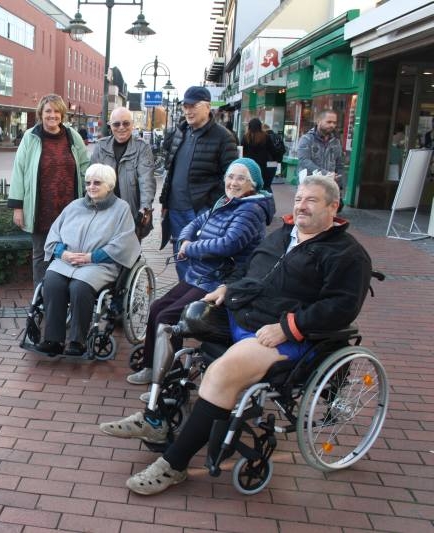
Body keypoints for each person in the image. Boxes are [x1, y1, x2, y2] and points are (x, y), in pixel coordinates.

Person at [101, 175, 372, 496]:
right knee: (174, 322)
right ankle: (156, 418)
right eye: (299, 199)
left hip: (290, 335)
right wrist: (228, 288)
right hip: (246, 312)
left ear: (333, 207)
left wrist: (288, 327)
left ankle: (173, 465)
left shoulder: (347, 255)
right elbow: (251, 271)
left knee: (221, 372)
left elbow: (340, 308)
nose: (301, 205)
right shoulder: (283, 235)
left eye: (311, 200)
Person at [120, 158, 274, 388]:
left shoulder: (251, 209)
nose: (233, 182)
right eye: (230, 177)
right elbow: (196, 222)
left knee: (168, 317)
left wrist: (190, 248)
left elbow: (228, 244)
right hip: (201, 274)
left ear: (253, 184)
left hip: (219, 280)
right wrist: (184, 238)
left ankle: (166, 378)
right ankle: (152, 366)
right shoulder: (225, 202)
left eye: (241, 178)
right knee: (157, 308)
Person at [36, 164, 141, 356]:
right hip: (67, 261)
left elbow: (124, 242)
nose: (91, 187)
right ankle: (53, 339)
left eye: (97, 183)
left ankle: (77, 341)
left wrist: (92, 257)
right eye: (88, 183)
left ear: (109, 185)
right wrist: (62, 253)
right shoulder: (74, 206)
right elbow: (54, 234)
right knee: (51, 282)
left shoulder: (121, 209)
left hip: (99, 264)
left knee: (79, 287)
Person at [7, 93, 91, 285]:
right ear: (41, 114)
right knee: (40, 255)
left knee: (69, 252)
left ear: (62, 114)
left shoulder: (73, 136)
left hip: (69, 208)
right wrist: (17, 207)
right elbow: (19, 171)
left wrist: (90, 195)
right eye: (48, 111)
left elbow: (85, 167)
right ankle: (40, 299)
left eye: (56, 111)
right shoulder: (31, 137)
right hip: (41, 206)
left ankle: (61, 297)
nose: (52, 115)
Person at [160, 86, 238, 280]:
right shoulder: (181, 132)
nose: (188, 110)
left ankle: (198, 300)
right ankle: (184, 299)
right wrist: (165, 201)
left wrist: (210, 204)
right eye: (185, 106)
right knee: (181, 255)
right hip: (176, 209)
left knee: (203, 258)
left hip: (201, 211)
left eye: (193, 105)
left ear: (208, 107)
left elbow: (230, 177)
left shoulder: (224, 137)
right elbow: (171, 169)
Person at [91, 106, 156, 240]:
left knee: (130, 256)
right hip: (104, 213)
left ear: (132, 125)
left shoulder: (142, 147)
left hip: (131, 213)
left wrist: (145, 209)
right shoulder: (101, 146)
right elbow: (92, 178)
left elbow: (146, 181)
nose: (121, 127)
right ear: (110, 126)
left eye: (126, 123)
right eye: (116, 124)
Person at [296, 109, 344, 207]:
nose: (332, 125)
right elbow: (304, 161)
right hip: (310, 185)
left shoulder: (336, 141)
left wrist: (339, 185)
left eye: (334, 122)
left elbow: (339, 163)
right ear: (318, 121)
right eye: (329, 122)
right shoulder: (307, 139)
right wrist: (325, 174)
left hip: (329, 187)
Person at [241, 118, 280, 192]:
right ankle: (268, 201)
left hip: (249, 167)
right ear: (260, 126)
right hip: (264, 166)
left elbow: (242, 152)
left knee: (251, 187)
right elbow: (273, 151)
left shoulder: (245, 137)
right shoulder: (265, 137)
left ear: (249, 126)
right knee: (266, 187)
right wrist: (275, 162)